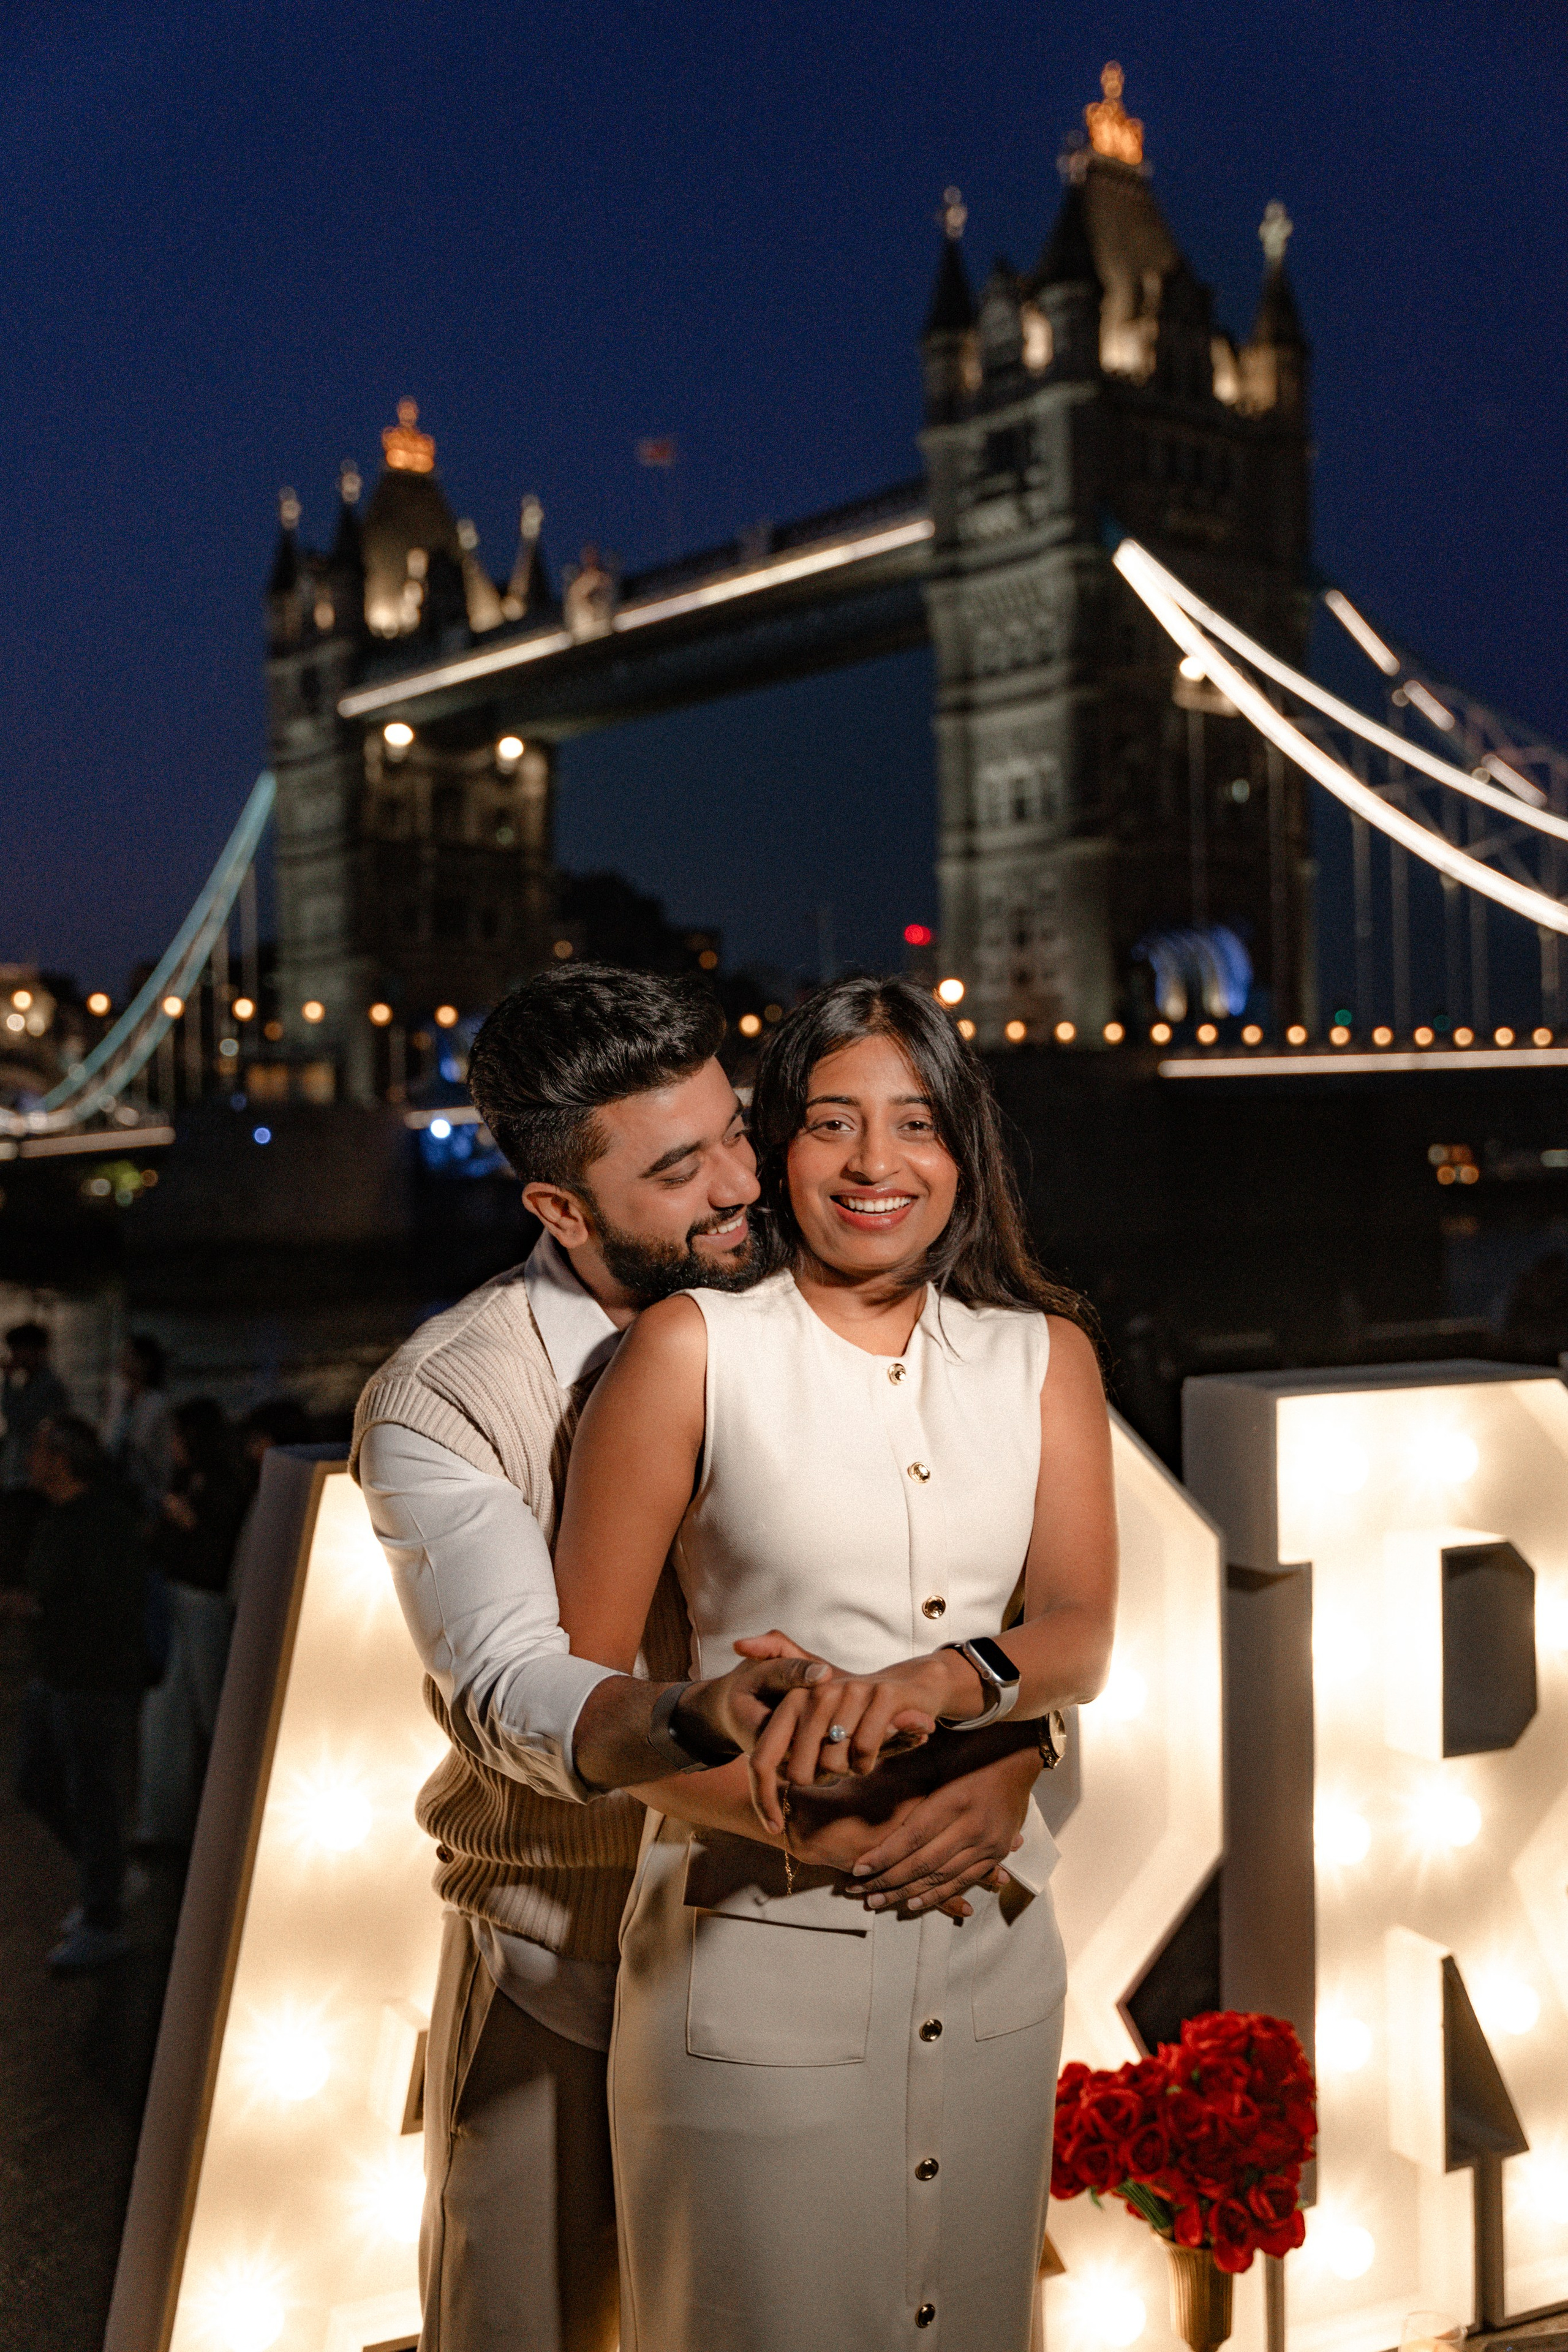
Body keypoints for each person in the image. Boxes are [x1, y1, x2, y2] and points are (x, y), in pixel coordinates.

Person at [353, 963, 1049, 2352]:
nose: (741, 1180)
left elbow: (960, 1585)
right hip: (567, 1979)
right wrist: (696, 1718)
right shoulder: (449, 1397)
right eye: (680, 1167)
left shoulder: (839, 1295)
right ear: (558, 1205)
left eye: (736, 1128)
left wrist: (1021, 1738)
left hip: (818, 1969)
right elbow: (512, 1686)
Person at [553, 975, 1120, 2352]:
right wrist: (808, 1811)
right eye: (830, 1124)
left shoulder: (1044, 1359)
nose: (876, 1165)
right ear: (773, 1148)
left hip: (989, 1953)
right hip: (748, 1962)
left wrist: (969, 1712)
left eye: (915, 1124)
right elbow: (571, 1698)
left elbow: (1076, 1633)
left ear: (960, 1151)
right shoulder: (688, 1352)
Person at [9, 1415, 148, 1971]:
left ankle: (103, 1921)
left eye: (39, 1450)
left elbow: (104, 1607)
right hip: (56, 1673)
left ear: (61, 1461)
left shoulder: (101, 1524)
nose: (29, 1460)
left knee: (93, 1796)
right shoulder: (62, 1516)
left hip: (91, 1679)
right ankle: (108, 1878)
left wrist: (40, 1606)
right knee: (34, 1780)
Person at [135, 1398, 248, 1844]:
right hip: (178, 1597)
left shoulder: (222, 1484)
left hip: (202, 1601)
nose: (172, 1445)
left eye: (178, 1436)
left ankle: (222, 1817)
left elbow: (218, 1545)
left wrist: (186, 1522)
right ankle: (166, 1823)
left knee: (210, 1710)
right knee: (166, 1711)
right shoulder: (192, 1478)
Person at [101, 1334, 174, 1518]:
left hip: (145, 1493)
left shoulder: (158, 1405)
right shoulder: (120, 1398)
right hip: (119, 1489)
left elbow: (158, 1456)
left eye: (129, 1355)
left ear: (146, 1363)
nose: (122, 1360)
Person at [1, 1321, 73, 1492]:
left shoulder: (47, 1386)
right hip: (26, 1474)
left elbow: (17, 1421)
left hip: (32, 1479)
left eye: (17, 1349)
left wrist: (9, 1381)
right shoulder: (34, 1383)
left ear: (36, 1351)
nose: (14, 1356)